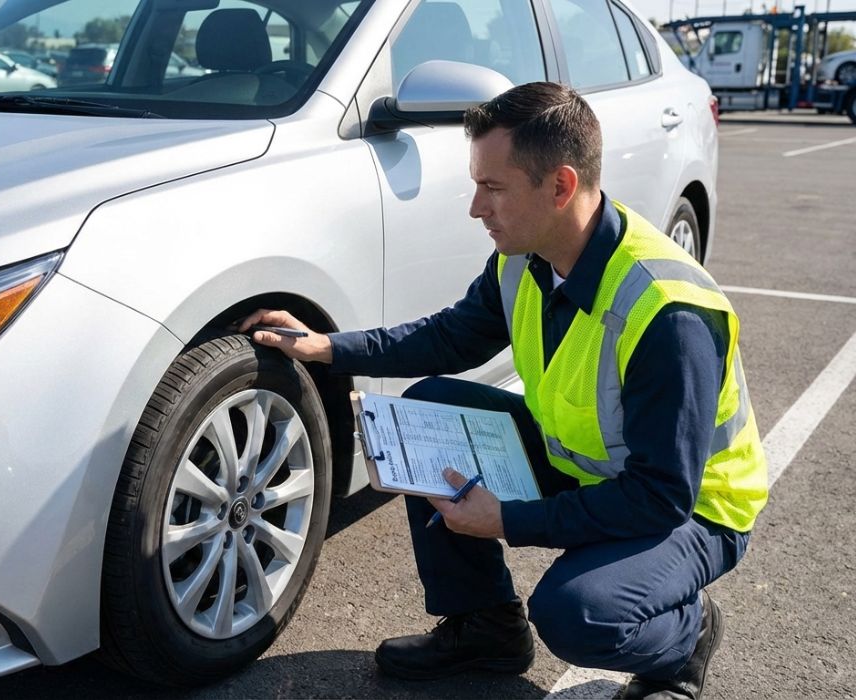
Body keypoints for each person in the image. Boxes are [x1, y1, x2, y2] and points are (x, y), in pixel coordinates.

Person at [239, 82, 767, 700]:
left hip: (694, 511)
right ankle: (486, 626)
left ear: (561, 186)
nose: (475, 207)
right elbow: (452, 337)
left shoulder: (668, 314)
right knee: (429, 410)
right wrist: (328, 346)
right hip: (587, 465)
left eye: (492, 188)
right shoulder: (527, 255)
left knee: (578, 613)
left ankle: (685, 638)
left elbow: (658, 498)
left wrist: (509, 520)